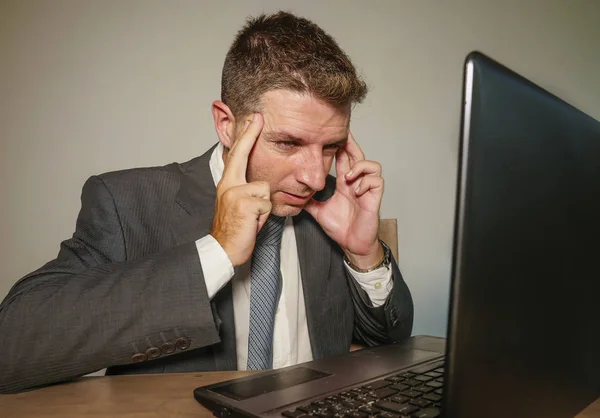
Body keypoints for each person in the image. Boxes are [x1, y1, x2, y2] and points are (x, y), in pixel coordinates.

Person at [0, 11, 413, 394]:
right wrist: (215, 252)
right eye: (288, 142)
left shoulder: (335, 204)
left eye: (331, 147)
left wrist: (365, 254)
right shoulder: (128, 203)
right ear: (227, 124)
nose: (313, 175)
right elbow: (13, 347)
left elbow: (389, 343)